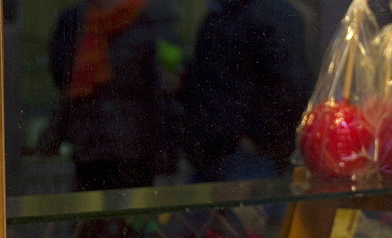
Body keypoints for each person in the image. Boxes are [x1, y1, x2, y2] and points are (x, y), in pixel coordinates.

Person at [46, 0, 181, 192]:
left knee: (132, 216)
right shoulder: (78, 21)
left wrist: (167, 156)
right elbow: (66, 83)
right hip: (90, 147)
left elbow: (167, 95)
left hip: (135, 151)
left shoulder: (154, 22)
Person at [182, 0, 314, 183]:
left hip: (243, 152)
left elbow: (290, 86)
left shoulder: (267, 13)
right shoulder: (225, 10)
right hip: (215, 147)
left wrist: (257, 139)